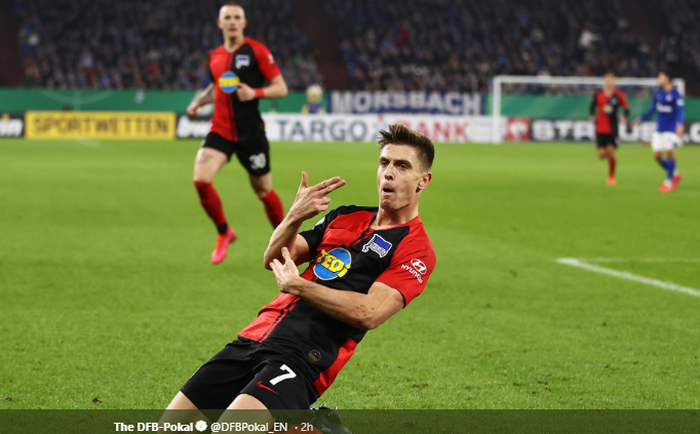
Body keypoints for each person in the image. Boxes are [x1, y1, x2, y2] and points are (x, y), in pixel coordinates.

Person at [164, 123, 437, 411]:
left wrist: (299, 286)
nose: (389, 172)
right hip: (253, 336)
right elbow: (275, 259)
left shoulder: (415, 248)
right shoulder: (344, 216)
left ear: (423, 180)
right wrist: (293, 216)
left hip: (303, 355)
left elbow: (370, 312)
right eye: (384, 163)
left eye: (403, 166)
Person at [187, 1, 288, 264]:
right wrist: (199, 101)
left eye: (237, 17)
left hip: (250, 134)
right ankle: (224, 232)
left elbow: (281, 88)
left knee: (264, 190)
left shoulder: (257, 51)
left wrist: (255, 92)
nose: (232, 21)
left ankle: (287, 244)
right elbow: (216, 87)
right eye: (227, 17)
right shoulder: (215, 56)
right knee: (201, 179)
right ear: (220, 23)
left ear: (244, 23)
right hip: (220, 130)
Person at [632, 70, 684, 192]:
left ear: (667, 78)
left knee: (670, 152)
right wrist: (640, 119)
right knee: (657, 156)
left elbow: (681, 111)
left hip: (671, 129)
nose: (658, 80)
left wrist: (680, 124)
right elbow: (651, 110)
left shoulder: (676, 94)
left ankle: (668, 181)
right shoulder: (658, 94)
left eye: (660, 78)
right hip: (659, 129)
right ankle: (675, 174)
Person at [589, 72, 629, 186]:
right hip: (600, 128)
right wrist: (591, 115)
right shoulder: (598, 94)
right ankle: (612, 160)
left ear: (614, 82)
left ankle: (611, 177)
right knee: (601, 155)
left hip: (612, 128)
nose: (609, 82)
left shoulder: (618, 95)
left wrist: (624, 116)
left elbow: (626, 107)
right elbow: (592, 105)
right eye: (607, 80)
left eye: (611, 80)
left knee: (611, 153)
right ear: (604, 81)